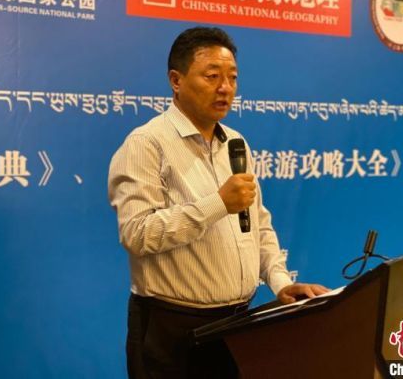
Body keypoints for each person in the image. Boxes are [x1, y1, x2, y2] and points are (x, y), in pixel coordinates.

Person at [108, 27, 329, 378]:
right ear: (176, 80)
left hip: (238, 324)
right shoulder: (146, 144)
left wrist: (280, 282)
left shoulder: (236, 144)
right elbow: (137, 234)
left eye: (232, 77)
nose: (225, 87)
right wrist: (217, 205)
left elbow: (258, 225)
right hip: (172, 332)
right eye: (212, 76)